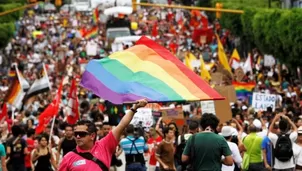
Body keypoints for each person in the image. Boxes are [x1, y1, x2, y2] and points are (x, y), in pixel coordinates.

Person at [59, 99, 148, 171]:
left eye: (82, 134)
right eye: (76, 134)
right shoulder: (68, 158)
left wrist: (134, 108)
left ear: (92, 136)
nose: (77, 136)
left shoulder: (104, 145)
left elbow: (122, 125)